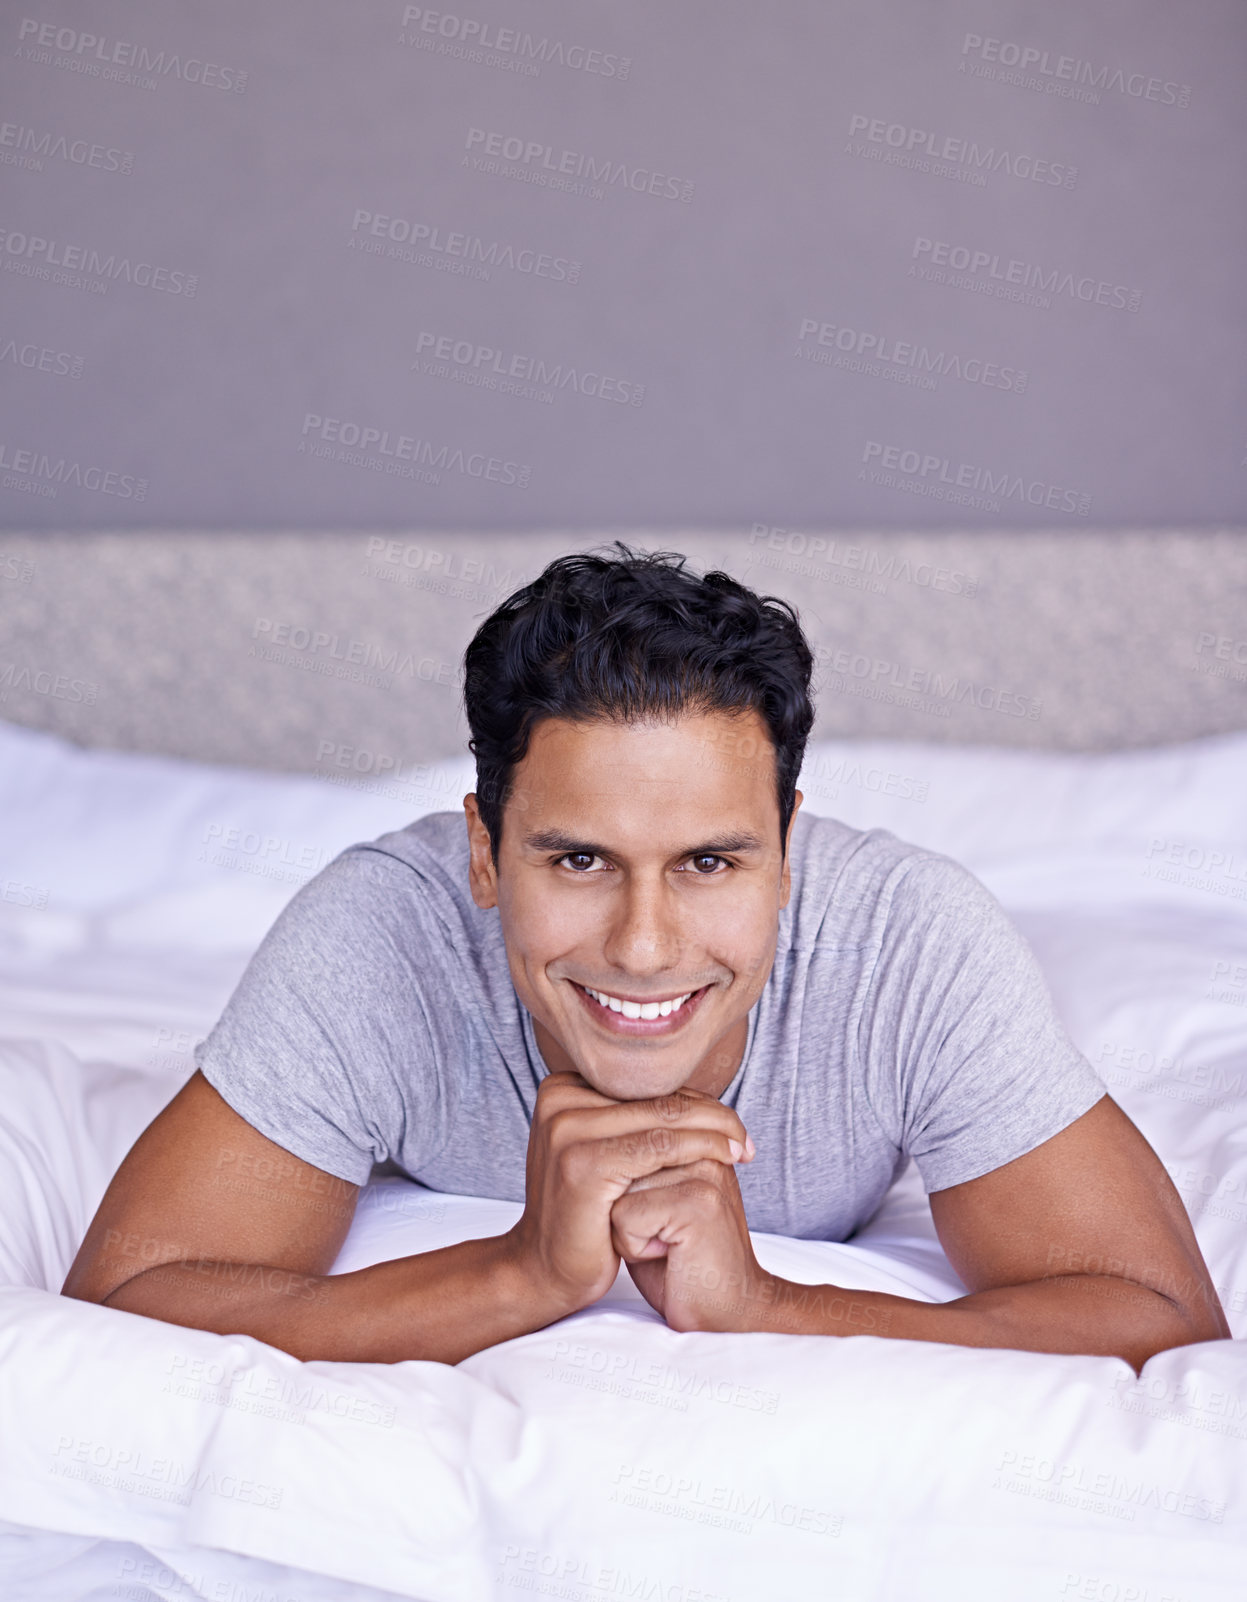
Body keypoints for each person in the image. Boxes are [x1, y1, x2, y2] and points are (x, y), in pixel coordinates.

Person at [63, 544, 1228, 1373]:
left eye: (710, 863)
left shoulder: (908, 944)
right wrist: (519, 1274)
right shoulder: (381, 936)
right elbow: (128, 1300)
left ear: (787, 851)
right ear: (484, 851)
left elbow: (1156, 1316)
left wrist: (769, 1307)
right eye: (575, 861)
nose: (641, 947)